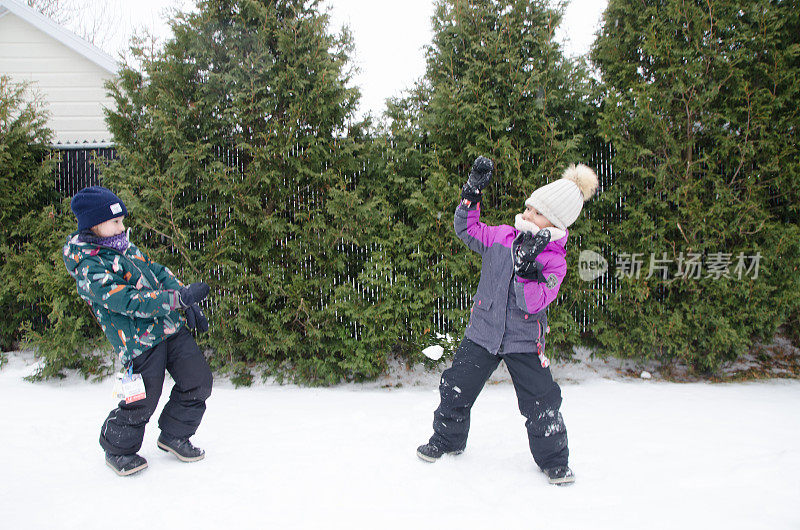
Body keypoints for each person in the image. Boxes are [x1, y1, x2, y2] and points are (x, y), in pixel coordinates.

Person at [416, 156, 598, 485]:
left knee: (542, 402)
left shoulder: (554, 263)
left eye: (536, 212)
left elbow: (533, 302)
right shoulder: (502, 236)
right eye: (528, 207)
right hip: (482, 332)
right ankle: (447, 439)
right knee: (455, 388)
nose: (526, 214)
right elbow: (467, 230)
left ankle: (554, 460)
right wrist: (471, 194)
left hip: (524, 341)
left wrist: (527, 271)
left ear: (554, 222)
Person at [63, 186, 213, 476]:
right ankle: (117, 448)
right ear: (93, 225)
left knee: (198, 380)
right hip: (137, 341)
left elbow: (155, 271)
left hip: (168, 326)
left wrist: (181, 294)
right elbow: (126, 300)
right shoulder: (89, 266)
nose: (122, 226)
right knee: (142, 399)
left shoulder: (123, 246)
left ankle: (174, 435)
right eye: (115, 221)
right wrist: (176, 300)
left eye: (122, 220)